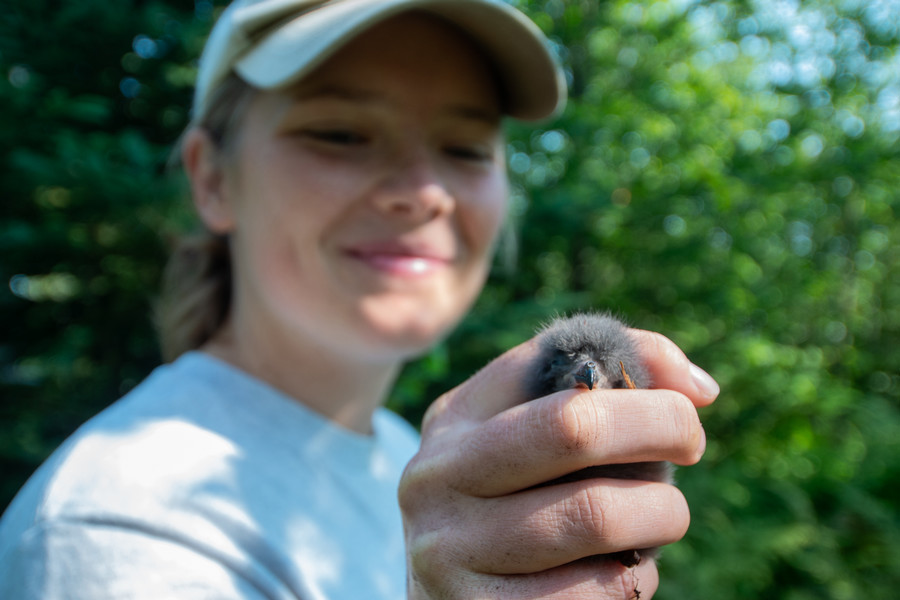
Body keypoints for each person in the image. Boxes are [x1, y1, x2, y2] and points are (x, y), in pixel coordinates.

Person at [0, 0, 720, 598]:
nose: (422, 192)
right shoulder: (119, 532)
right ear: (212, 178)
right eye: (340, 133)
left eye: (466, 148)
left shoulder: (409, 459)